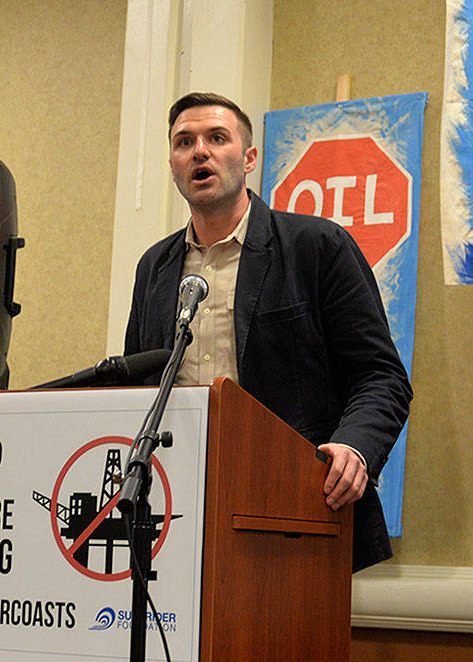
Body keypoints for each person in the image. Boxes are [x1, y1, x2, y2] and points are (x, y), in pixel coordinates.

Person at [124, 92, 412, 571]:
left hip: (295, 504)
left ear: (250, 158)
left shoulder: (316, 246)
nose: (200, 151)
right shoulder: (154, 267)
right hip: (181, 512)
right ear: (173, 166)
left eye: (217, 138)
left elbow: (381, 376)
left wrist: (355, 447)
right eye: (184, 142)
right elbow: (138, 390)